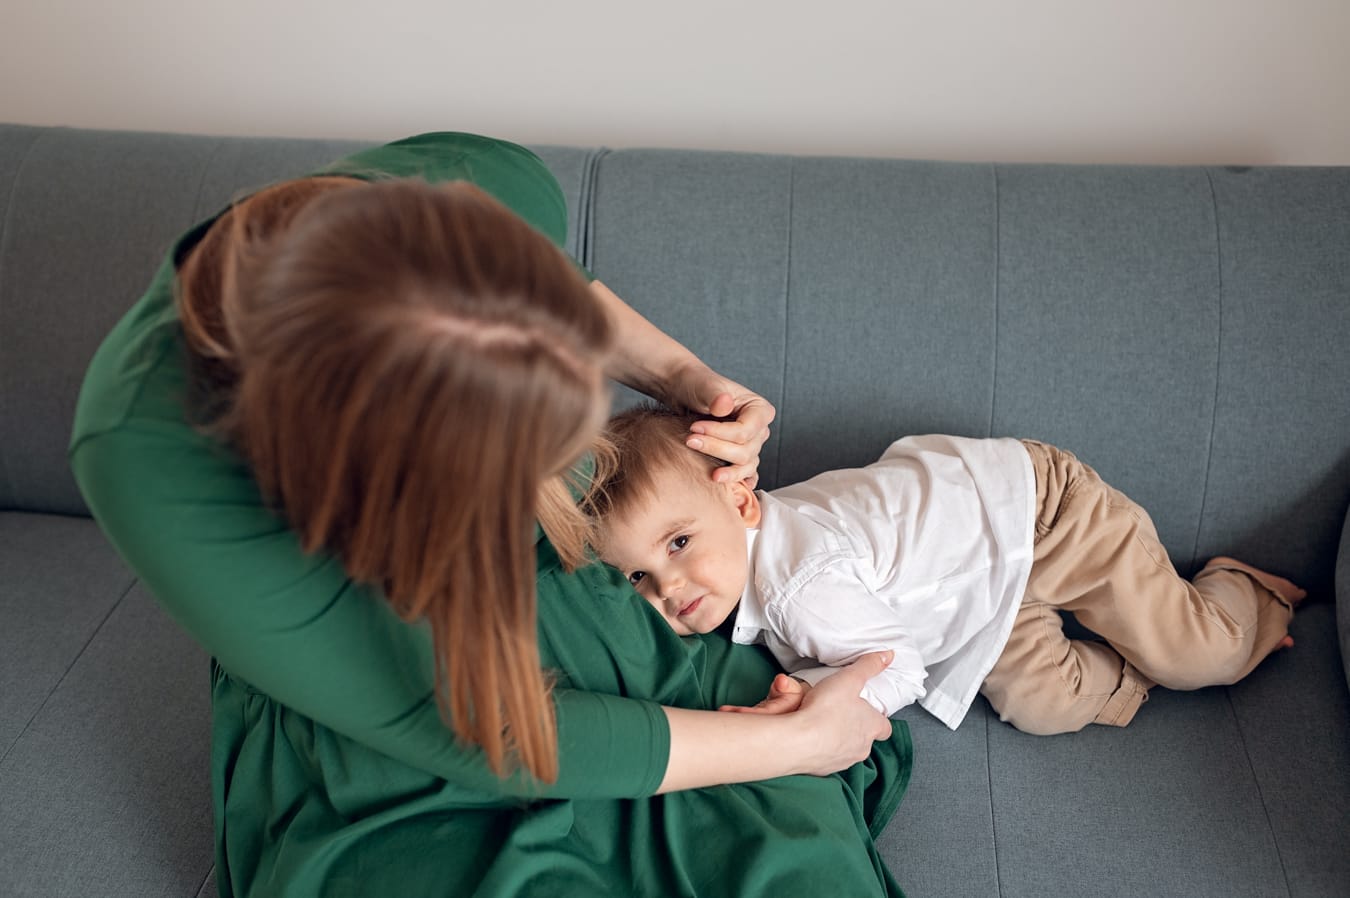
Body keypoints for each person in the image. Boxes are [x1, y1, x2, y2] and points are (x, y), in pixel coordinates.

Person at [70, 133, 912, 898]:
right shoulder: (153, 464)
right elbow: (481, 731)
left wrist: (679, 378)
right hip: (377, 699)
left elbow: (555, 287)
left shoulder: (491, 185)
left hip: (574, 623)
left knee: (787, 862)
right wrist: (795, 745)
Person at [587, 404, 1305, 733]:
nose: (668, 589)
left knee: (1196, 653)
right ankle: (1130, 670)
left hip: (1039, 515)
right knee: (1042, 705)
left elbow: (898, 669)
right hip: (975, 586)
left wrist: (811, 700)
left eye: (677, 545)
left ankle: (1240, 597)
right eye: (635, 577)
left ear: (742, 500)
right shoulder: (751, 541)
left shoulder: (801, 590)